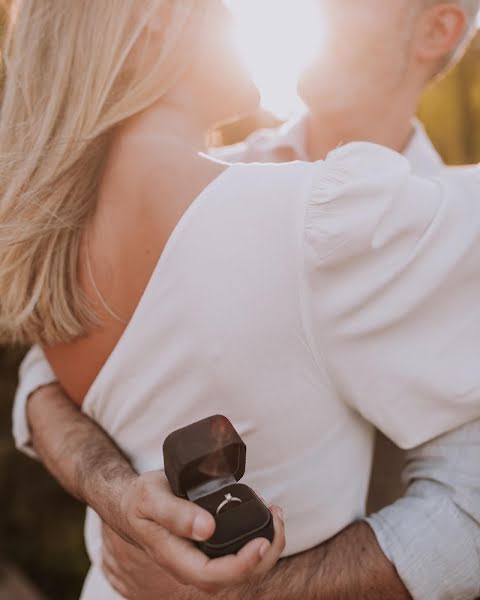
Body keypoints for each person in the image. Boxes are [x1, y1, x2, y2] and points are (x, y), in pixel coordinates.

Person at [3, 2, 480, 600]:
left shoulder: (76, 227)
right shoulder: (270, 202)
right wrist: (117, 495)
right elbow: (40, 381)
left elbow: (470, 508)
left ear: (437, 28)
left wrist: (238, 591)